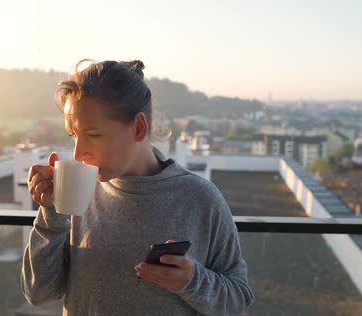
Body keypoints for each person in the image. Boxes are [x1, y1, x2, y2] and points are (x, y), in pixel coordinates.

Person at [21, 59, 254, 315]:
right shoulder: (78, 194)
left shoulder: (201, 199)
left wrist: (192, 281)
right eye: (73, 135)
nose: (79, 153)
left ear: (139, 128)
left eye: (94, 135)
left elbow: (238, 299)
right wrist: (52, 212)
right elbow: (38, 293)